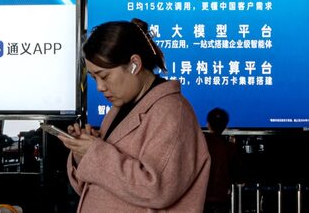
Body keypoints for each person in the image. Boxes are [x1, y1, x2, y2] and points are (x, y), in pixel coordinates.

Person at [62, 18, 210, 212]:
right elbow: (94, 186)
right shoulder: (119, 109)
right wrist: (83, 153)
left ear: (134, 64)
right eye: (93, 78)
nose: (99, 87)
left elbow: (156, 189)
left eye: (104, 76)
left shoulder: (171, 112)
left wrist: (94, 153)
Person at [203, 108, 241, 213]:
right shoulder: (230, 148)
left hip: (200, 198)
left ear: (208, 124)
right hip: (221, 200)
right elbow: (239, 175)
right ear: (225, 125)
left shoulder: (200, 145)